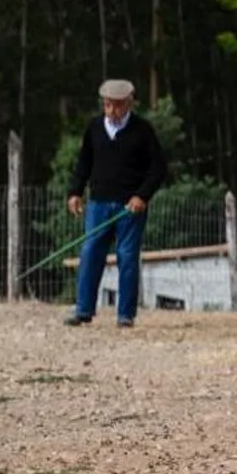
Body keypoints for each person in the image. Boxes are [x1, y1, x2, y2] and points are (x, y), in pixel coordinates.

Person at [64, 77, 168, 328]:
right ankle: (84, 310)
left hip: (128, 207)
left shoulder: (143, 131)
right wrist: (75, 192)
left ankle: (125, 315)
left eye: (117, 105)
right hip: (98, 203)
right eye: (108, 105)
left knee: (127, 256)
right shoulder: (95, 128)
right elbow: (84, 163)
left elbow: (158, 168)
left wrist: (142, 196)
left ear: (129, 104)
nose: (112, 111)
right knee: (90, 253)